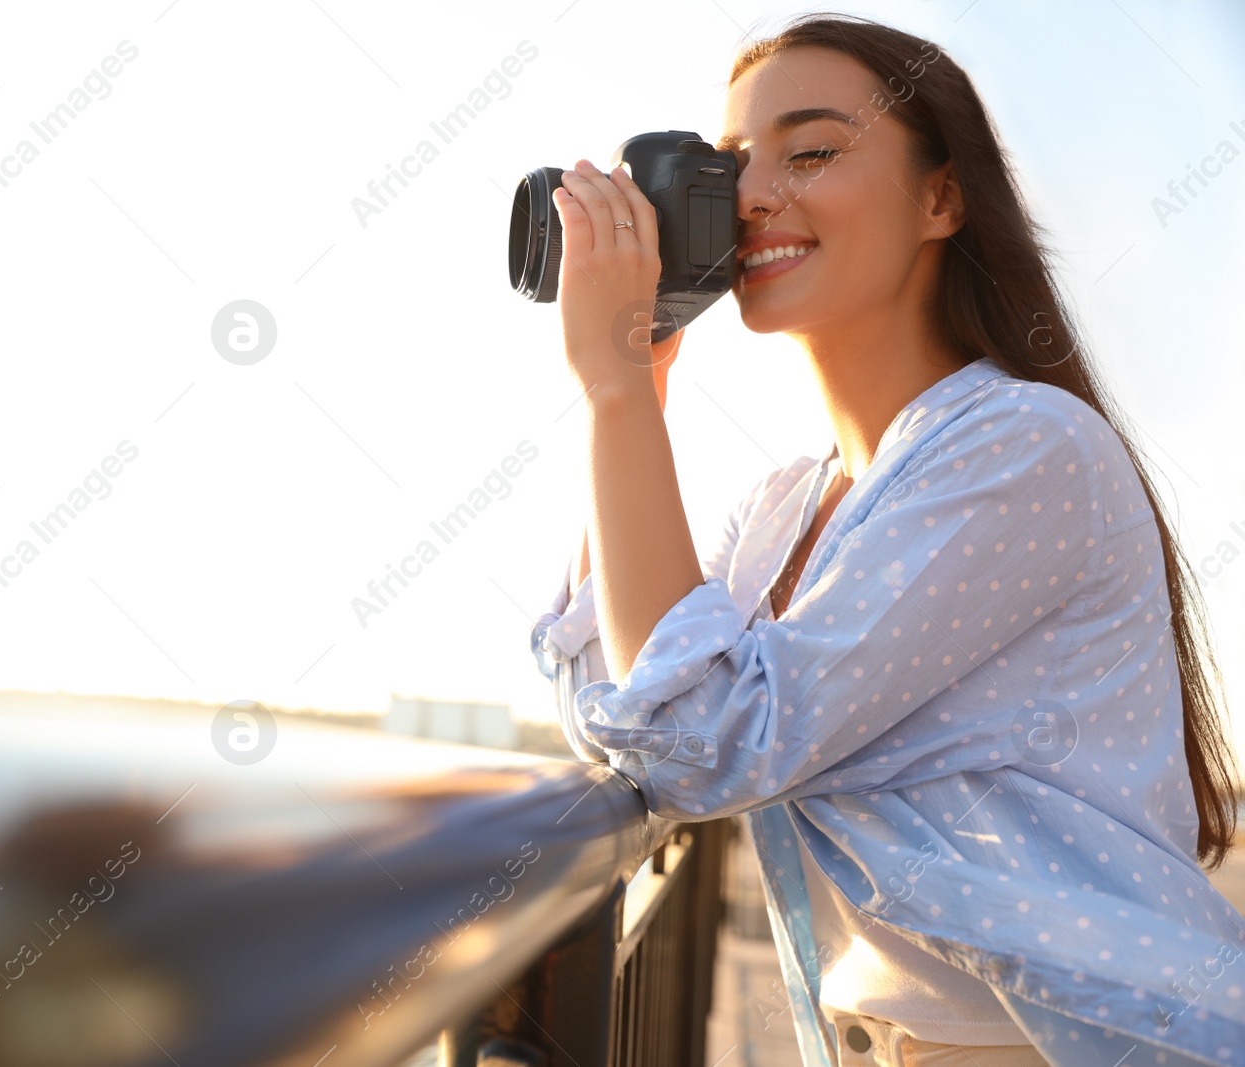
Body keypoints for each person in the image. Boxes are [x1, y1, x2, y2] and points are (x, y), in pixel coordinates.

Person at [529, 12, 1245, 1067]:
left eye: (810, 152)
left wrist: (614, 395)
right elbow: (616, 714)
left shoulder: (1023, 447)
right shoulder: (785, 504)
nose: (755, 194)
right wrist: (638, 383)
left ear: (941, 198)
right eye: (727, 170)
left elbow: (702, 744)